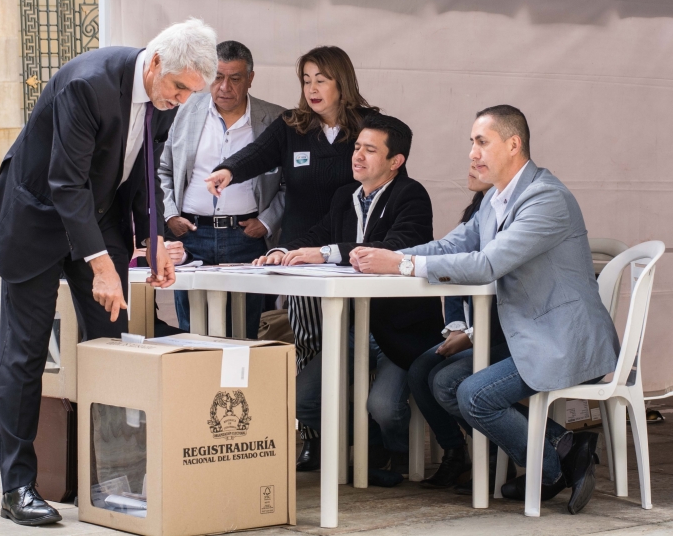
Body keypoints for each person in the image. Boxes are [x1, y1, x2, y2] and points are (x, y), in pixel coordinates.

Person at [0, 19, 218, 526]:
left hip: (98, 215)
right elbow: (65, 184)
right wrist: (103, 265)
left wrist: (150, 243)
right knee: (25, 356)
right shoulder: (88, 83)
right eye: (177, 88)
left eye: (189, 95)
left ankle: (114, 479)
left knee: (112, 347)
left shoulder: (163, 97)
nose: (179, 101)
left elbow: (143, 170)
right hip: (36, 217)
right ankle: (17, 486)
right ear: (155, 64)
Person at [349, 105, 619, 515]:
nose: (472, 153)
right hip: (520, 334)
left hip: (562, 340)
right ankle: (565, 445)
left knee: (474, 395)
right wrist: (385, 255)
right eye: (471, 143)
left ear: (513, 145)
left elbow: (487, 264)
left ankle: (551, 467)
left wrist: (402, 265)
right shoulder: (495, 199)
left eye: (481, 142)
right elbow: (449, 247)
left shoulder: (545, 198)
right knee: (439, 380)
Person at [204, 46, 379, 466]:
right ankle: (316, 438)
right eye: (306, 80)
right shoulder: (291, 126)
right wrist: (228, 170)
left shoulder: (368, 127)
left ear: (342, 82)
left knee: (360, 347)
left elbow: (391, 173)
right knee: (310, 343)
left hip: (356, 257)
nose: (312, 89)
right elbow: (257, 156)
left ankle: (365, 439)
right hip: (301, 259)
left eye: (322, 79)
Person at [255, 114, 444, 476]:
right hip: (355, 330)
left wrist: (325, 252)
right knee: (299, 400)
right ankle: (371, 444)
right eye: (357, 147)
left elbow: (394, 247)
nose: (357, 155)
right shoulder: (346, 196)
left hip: (400, 332)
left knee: (385, 407)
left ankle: (397, 453)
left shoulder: (411, 194)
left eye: (370, 150)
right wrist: (283, 252)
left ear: (395, 161)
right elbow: (317, 234)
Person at [158, 40, 285, 338]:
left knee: (247, 332)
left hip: (246, 239)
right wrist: (170, 215)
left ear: (251, 78)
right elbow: (163, 170)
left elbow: (288, 185)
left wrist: (267, 223)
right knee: (192, 332)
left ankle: (240, 387)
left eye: (235, 78)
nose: (224, 86)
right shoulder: (185, 110)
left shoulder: (276, 120)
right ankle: (198, 385)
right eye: (217, 77)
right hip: (191, 237)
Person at [407, 163, 514, 495]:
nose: (472, 164)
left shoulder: (514, 216)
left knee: (445, 380)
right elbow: (451, 271)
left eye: (482, 157)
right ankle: (455, 451)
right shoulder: (478, 213)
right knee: (420, 368)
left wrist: (469, 337)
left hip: (508, 335)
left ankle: (497, 454)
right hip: (474, 330)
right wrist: (456, 330)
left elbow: (501, 295)